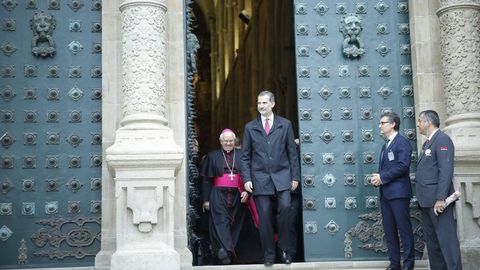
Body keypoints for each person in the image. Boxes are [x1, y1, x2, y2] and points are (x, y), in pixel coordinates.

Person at [240, 90, 300, 266]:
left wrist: (295, 176)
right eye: (259, 103)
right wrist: (246, 179)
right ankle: (268, 254)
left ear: (272, 104)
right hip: (259, 178)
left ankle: (285, 250)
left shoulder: (285, 124)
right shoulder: (250, 127)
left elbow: (292, 153)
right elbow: (245, 156)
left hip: (283, 175)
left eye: (264, 103)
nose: (261, 106)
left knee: (286, 209)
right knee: (264, 215)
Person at [415, 110, 462, 270]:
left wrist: (441, 198)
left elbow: (446, 170)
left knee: (447, 243)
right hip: (426, 201)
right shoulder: (428, 142)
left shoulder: (442, 139)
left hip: (438, 202)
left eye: (420, 121)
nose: (418, 124)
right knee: (434, 245)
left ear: (429, 122)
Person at [199, 129, 253, 265]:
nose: (228, 143)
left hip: (239, 194)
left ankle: (226, 251)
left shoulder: (242, 155)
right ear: (221, 142)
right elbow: (205, 179)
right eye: (226, 141)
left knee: (236, 223)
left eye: (231, 141)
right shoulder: (212, 156)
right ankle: (226, 251)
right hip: (218, 194)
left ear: (234, 141)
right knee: (220, 222)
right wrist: (205, 200)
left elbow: (250, 175)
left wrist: (248, 191)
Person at [371, 112, 415, 270]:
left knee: (404, 230)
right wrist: (379, 179)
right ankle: (394, 264)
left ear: (392, 124)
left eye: (382, 123)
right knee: (389, 231)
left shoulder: (402, 142)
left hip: (399, 194)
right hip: (386, 194)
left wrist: (382, 177)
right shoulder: (385, 145)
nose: (380, 126)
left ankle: (408, 264)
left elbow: (403, 166)